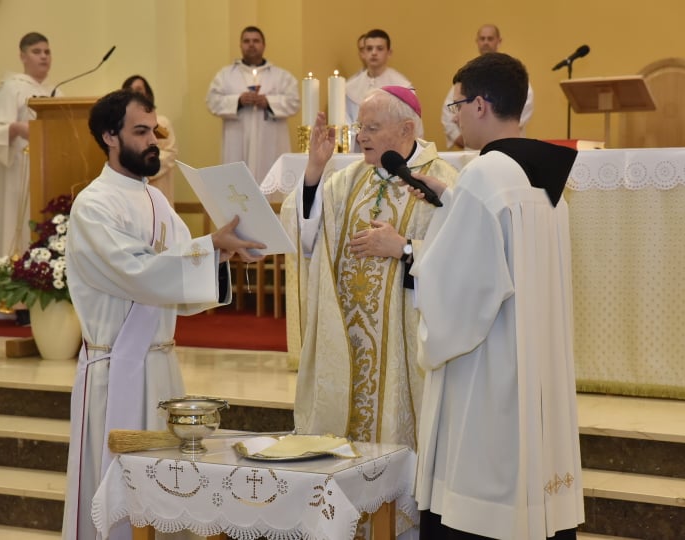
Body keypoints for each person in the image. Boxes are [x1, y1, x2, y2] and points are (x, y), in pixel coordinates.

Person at [61, 89, 265, 540]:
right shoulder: (93, 205)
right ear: (109, 136)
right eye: (141, 132)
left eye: (154, 131)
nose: (153, 141)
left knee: (166, 493)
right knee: (112, 488)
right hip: (113, 369)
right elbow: (137, 274)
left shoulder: (156, 201)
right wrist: (208, 249)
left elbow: (179, 281)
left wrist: (220, 256)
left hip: (160, 369)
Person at [409, 53, 584, 539]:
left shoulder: (484, 177)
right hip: (532, 367)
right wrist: (452, 200)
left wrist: (417, 258)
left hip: (489, 374)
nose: (456, 118)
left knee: (483, 496)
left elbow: (459, 294)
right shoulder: (545, 180)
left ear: (481, 105)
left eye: (457, 106)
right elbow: (509, 255)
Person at [282, 86, 458, 538]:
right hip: (348, 349)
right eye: (360, 126)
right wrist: (315, 169)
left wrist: (404, 248)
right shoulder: (347, 180)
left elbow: (462, 259)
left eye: (372, 128)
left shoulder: (441, 180)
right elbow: (303, 236)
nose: (361, 136)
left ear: (407, 129)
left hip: (405, 354)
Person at [0, 32, 58, 261]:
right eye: (37, 52)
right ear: (23, 57)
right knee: (17, 232)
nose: (44, 57)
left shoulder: (56, 93)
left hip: (47, 178)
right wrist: (15, 128)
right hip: (18, 179)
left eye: (47, 52)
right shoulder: (11, 89)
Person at [206, 26, 300, 184]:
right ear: (240, 45)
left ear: (264, 45)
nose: (251, 45)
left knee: (270, 185)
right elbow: (212, 101)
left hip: (270, 142)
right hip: (236, 141)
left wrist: (269, 102)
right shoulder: (226, 75)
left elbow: (294, 102)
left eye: (256, 41)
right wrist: (238, 101)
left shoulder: (281, 76)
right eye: (246, 41)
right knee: (237, 183)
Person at [440, 24, 534, 149]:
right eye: (482, 39)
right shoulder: (466, 79)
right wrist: (469, 140)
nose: (485, 42)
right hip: (473, 150)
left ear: (499, 41)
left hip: (508, 147)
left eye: (490, 39)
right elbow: (448, 114)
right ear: (477, 41)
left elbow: (514, 117)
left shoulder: (513, 77)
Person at [122, 75, 179, 203]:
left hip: (158, 185)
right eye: (130, 91)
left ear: (148, 94)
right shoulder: (123, 127)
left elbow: (171, 153)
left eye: (138, 90)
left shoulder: (162, 122)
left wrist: (143, 165)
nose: (134, 95)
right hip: (131, 189)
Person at [346, 29, 413, 128]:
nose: (374, 53)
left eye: (379, 48)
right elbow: (346, 122)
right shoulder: (350, 88)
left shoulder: (403, 87)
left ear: (389, 53)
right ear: (363, 53)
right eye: (369, 48)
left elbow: (412, 125)